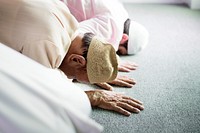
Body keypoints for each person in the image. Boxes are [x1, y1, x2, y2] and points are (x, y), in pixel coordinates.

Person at [0, 0, 144, 116]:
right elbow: (39, 96)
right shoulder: (50, 46)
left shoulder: (67, 16)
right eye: (77, 78)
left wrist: (94, 70)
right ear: (77, 60)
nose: (73, 79)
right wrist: (94, 97)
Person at [61, 0, 149, 55]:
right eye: (120, 51)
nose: (117, 53)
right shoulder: (111, 27)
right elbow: (72, 34)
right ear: (124, 38)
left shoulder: (120, 10)